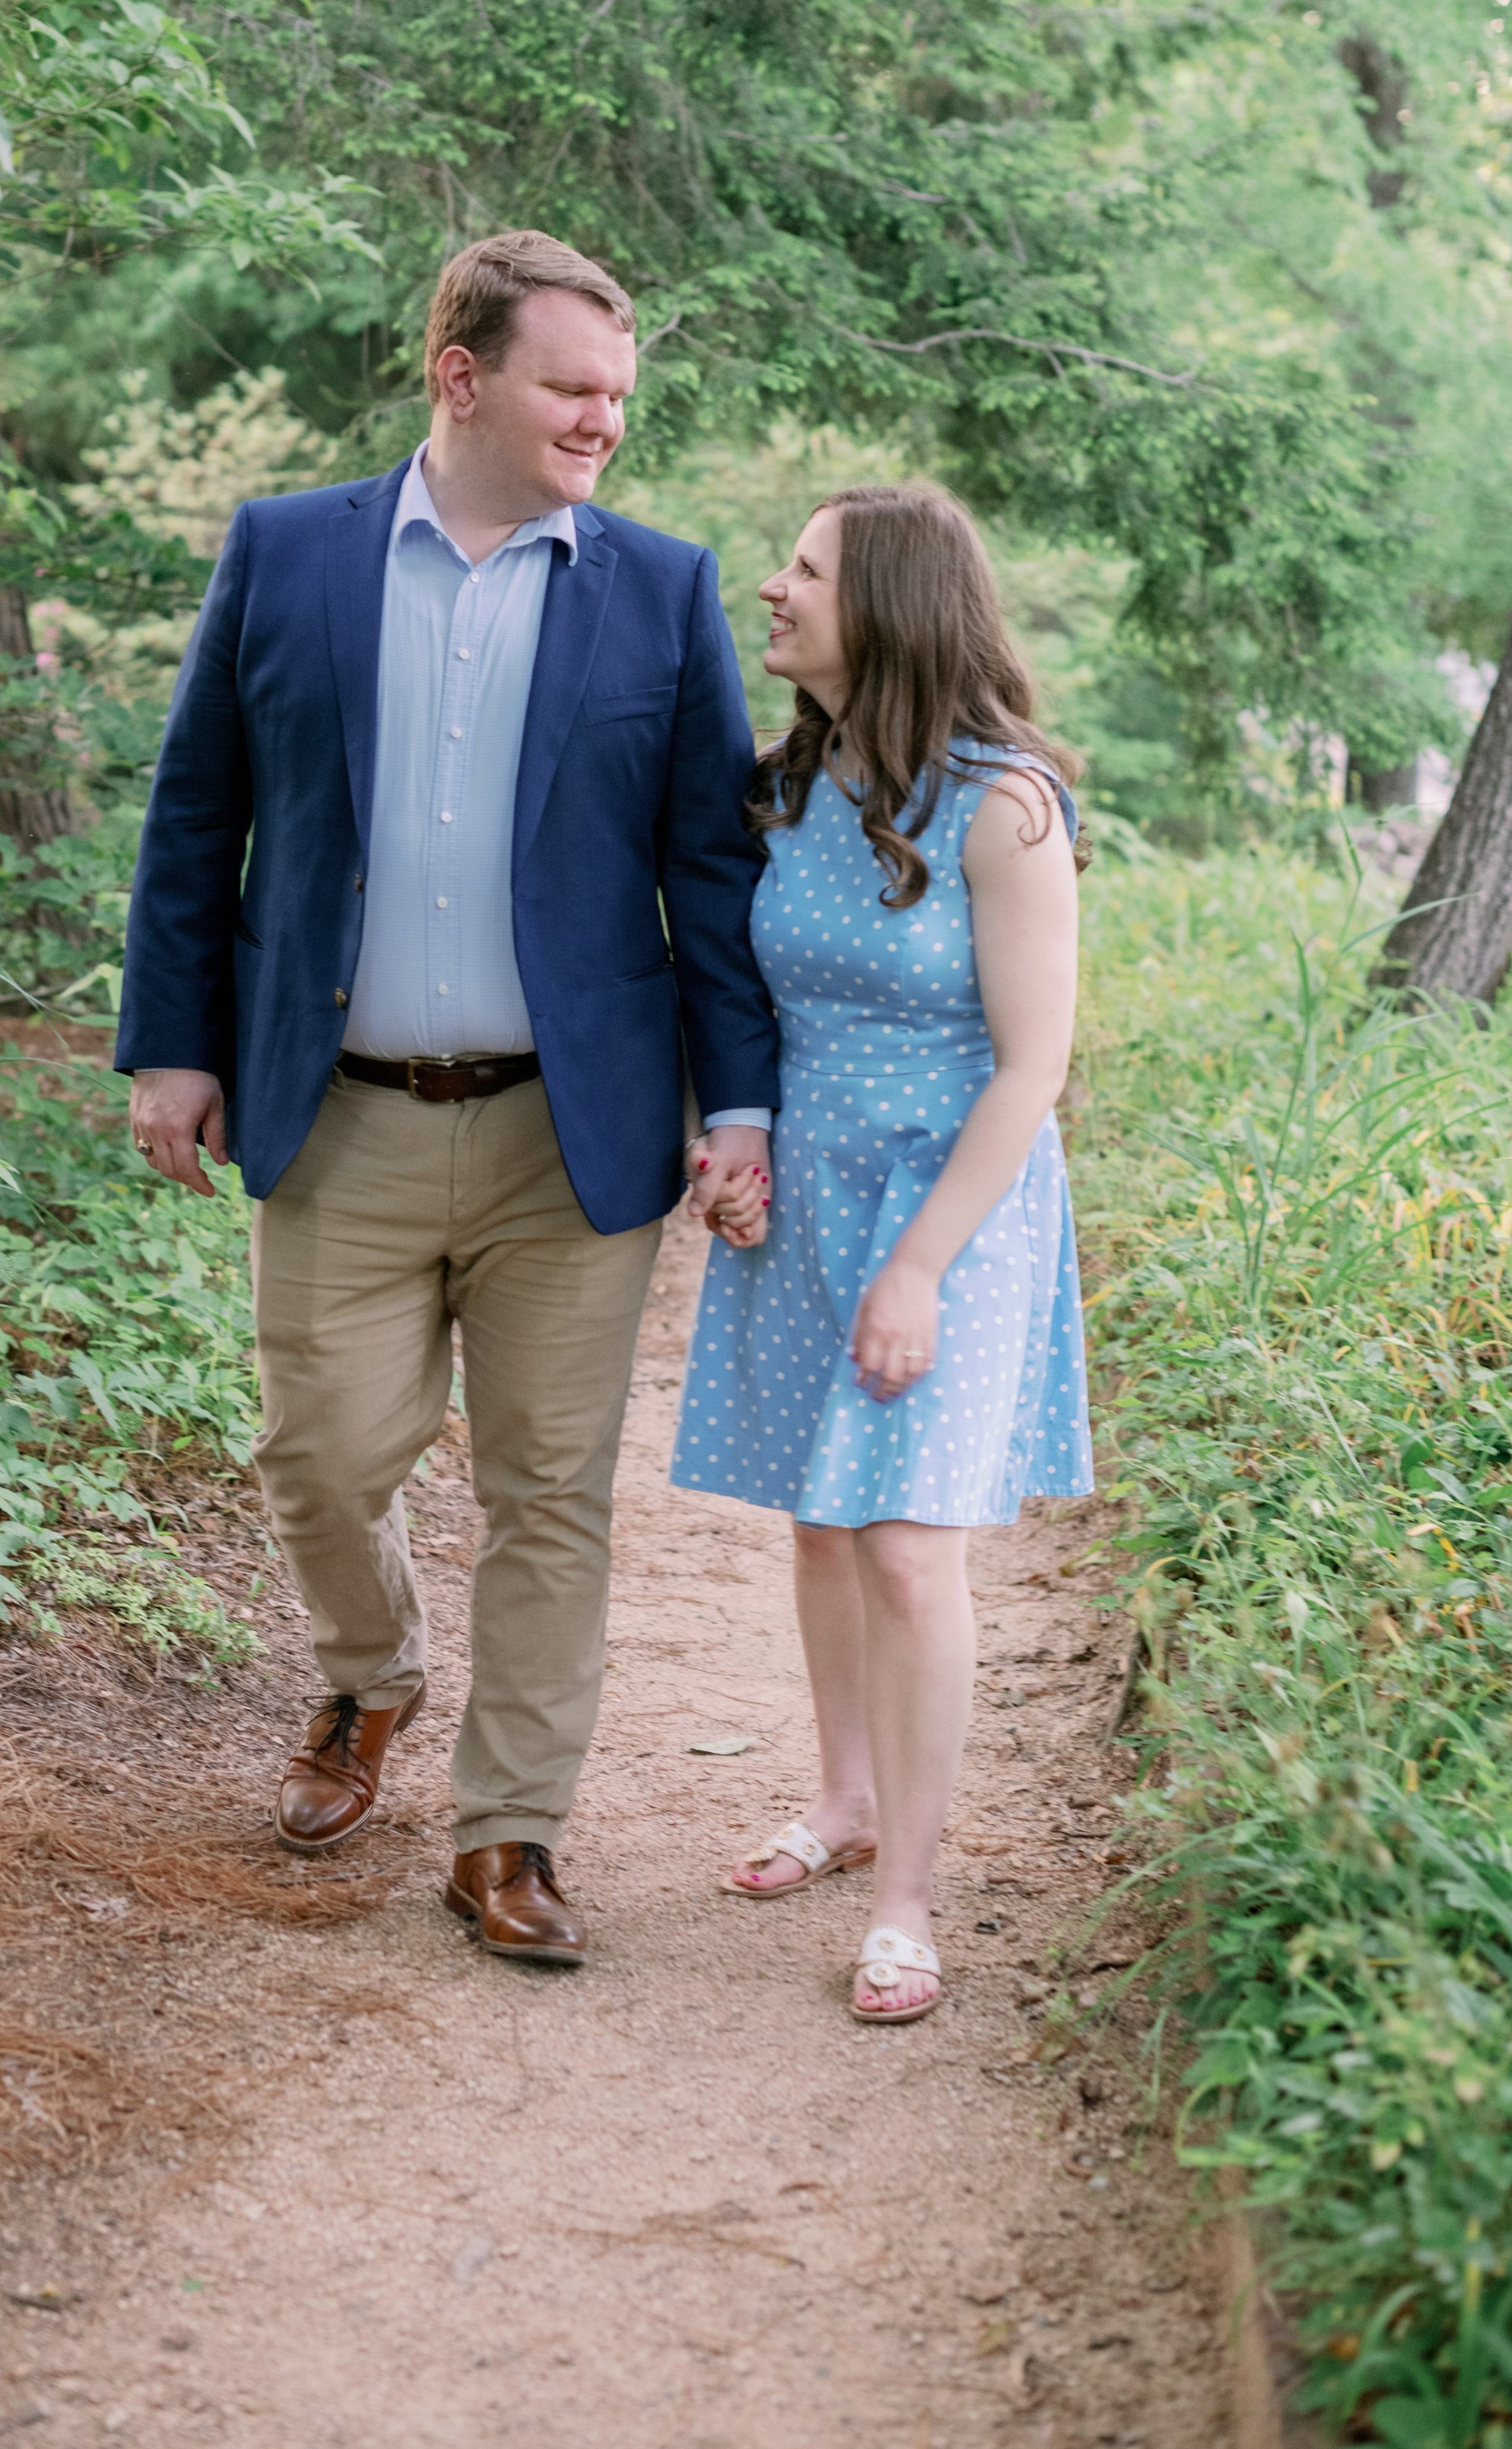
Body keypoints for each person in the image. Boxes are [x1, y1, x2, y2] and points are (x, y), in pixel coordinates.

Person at [114, 230, 777, 1966]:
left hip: (576, 1134)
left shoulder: (658, 586)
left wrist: (743, 1103)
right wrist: (172, 1046)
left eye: (619, 395)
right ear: (460, 375)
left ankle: (509, 1837)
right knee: (319, 1456)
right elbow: (199, 814)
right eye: (571, 386)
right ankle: (369, 1680)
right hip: (334, 1114)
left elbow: (708, 875)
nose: (602, 422)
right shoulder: (289, 552)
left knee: (552, 1489)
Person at [672, 483, 1092, 2023]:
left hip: (954, 1205)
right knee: (820, 1519)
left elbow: (1029, 1070)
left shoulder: (1003, 805)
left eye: (803, 570)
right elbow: (751, 1008)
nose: (768, 588)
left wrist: (915, 1266)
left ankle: (908, 1894)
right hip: (811, 1186)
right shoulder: (786, 783)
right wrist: (734, 1145)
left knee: (910, 1545)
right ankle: (841, 1800)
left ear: (893, 608)